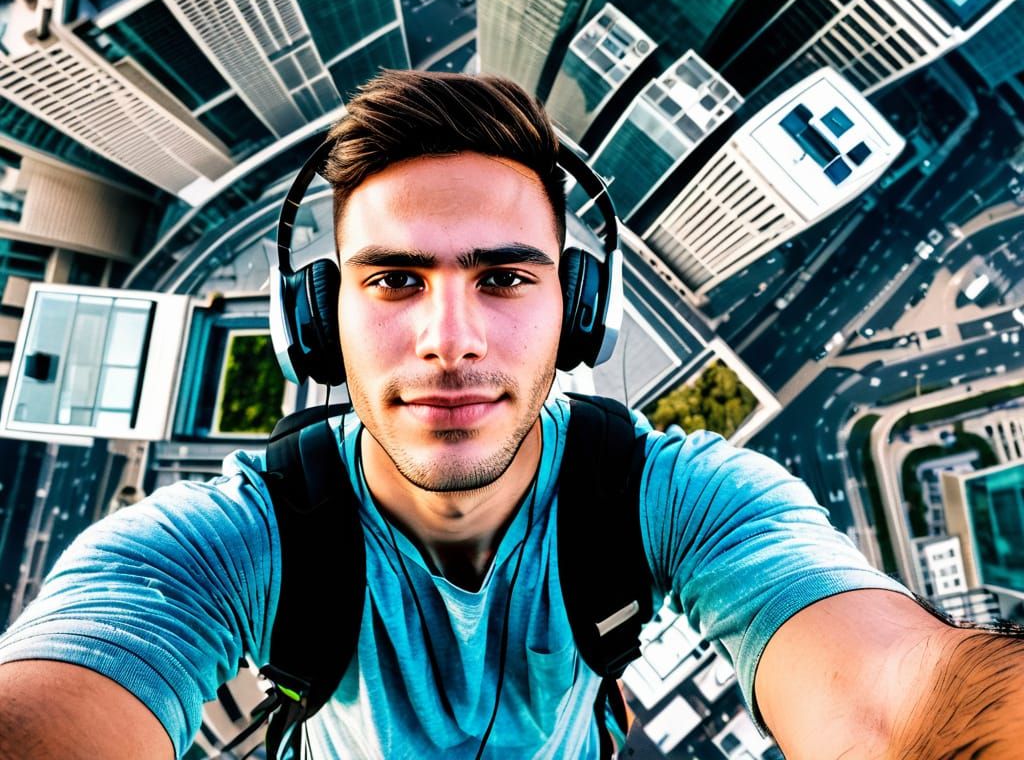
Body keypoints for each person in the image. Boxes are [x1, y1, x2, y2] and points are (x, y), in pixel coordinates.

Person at [0, 69, 1021, 760]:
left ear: (580, 309)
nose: (452, 338)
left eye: (503, 277)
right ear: (315, 321)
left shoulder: (683, 499)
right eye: (395, 280)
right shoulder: (217, 543)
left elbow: (893, 704)